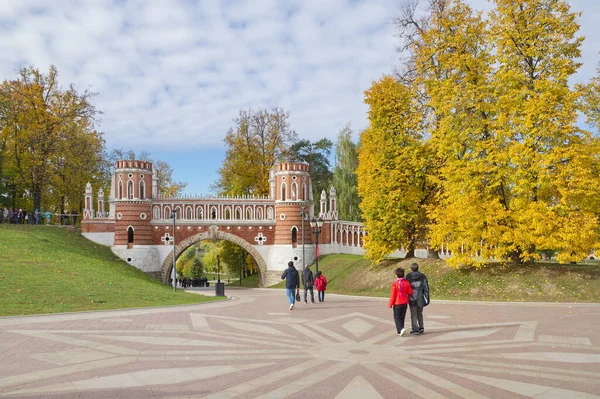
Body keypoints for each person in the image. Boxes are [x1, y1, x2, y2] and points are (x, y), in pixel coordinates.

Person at [406, 262, 430, 335]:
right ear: (418, 268)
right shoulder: (422, 276)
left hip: (412, 297)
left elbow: (406, 286)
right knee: (419, 313)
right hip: (420, 297)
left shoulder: (408, 276)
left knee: (413, 314)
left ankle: (415, 329)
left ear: (411, 269)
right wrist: (426, 296)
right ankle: (421, 327)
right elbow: (426, 287)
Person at [388, 267, 413, 336]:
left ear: (396, 275)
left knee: (397, 317)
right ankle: (400, 330)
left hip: (397, 303)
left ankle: (401, 329)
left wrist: (390, 304)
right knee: (402, 316)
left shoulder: (395, 284)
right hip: (404, 302)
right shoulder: (407, 282)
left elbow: (393, 295)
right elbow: (410, 292)